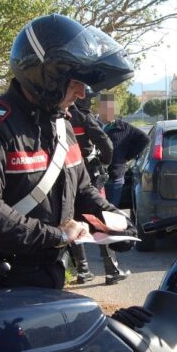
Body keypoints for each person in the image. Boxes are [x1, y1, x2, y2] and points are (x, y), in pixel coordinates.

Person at [0, 14, 135, 289]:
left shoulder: (63, 124)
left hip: (52, 272)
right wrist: (56, 236)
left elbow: (83, 191)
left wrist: (115, 221)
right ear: (46, 77)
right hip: (4, 279)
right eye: (75, 82)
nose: (83, 94)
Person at [68, 95, 130, 285]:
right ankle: (111, 270)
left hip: (66, 176)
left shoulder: (59, 117)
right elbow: (107, 145)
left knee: (72, 220)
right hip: (89, 176)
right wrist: (103, 162)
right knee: (101, 219)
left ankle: (82, 270)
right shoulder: (85, 118)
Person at [104, 118, 150, 208]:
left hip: (114, 177)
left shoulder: (124, 127)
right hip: (93, 178)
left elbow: (145, 139)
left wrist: (126, 156)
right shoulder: (91, 122)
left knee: (110, 214)